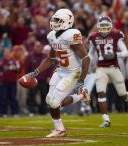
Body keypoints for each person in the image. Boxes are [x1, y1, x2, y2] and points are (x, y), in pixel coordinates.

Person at [26, 9, 90, 137]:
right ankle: (80, 96)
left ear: (67, 21)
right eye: (54, 20)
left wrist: (81, 80)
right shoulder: (52, 36)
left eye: (58, 20)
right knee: (50, 100)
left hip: (73, 73)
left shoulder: (71, 34)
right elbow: (50, 58)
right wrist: (35, 72)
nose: (54, 22)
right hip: (60, 71)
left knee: (55, 102)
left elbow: (86, 58)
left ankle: (60, 130)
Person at [88, 16, 128, 128]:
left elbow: (125, 52)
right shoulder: (93, 37)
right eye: (102, 26)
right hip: (101, 68)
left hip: (114, 67)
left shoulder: (116, 34)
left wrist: (115, 54)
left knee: (122, 93)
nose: (104, 29)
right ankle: (106, 120)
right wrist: (87, 60)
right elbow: (90, 53)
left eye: (106, 26)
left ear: (110, 26)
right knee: (100, 92)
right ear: (98, 26)